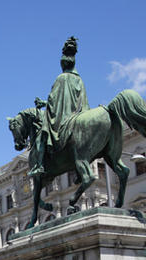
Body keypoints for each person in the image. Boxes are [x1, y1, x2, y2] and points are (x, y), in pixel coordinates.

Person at [29, 36, 90, 179]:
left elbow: (53, 100)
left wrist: (43, 104)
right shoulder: (79, 80)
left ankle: (38, 165)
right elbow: (79, 99)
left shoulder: (61, 79)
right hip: (78, 113)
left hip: (64, 116)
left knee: (43, 134)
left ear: (63, 65)